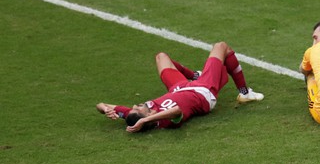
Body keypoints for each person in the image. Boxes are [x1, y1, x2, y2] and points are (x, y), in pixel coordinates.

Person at [96, 42, 264, 132]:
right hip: (203, 91)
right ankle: (245, 93)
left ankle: (193, 75)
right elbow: (176, 111)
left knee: (161, 57)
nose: (135, 105)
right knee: (221, 47)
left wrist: (106, 109)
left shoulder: (135, 115)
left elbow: (100, 104)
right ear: (147, 117)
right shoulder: (165, 121)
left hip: (179, 87)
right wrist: (145, 120)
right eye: (139, 109)